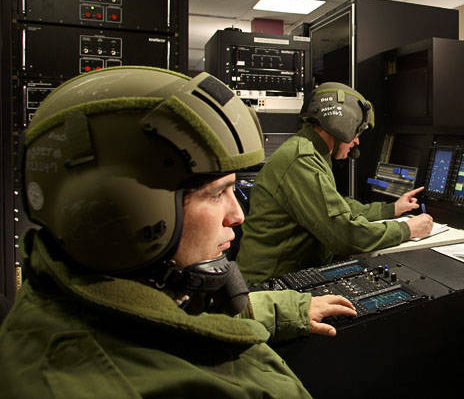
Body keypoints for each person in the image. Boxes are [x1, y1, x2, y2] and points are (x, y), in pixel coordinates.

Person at [0, 67, 357, 398]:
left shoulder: (86, 296)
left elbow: (175, 317)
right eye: (217, 193)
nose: (237, 216)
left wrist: (286, 308)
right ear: (125, 210)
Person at [238, 82, 433, 282]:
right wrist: (407, 229)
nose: (357, 141)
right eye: (357, 132)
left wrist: (391, 209)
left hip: (285, 277)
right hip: (267, 285)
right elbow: (346, 235)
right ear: (342, 125)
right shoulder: (302, 160)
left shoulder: (310, 152)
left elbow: (339, 207)